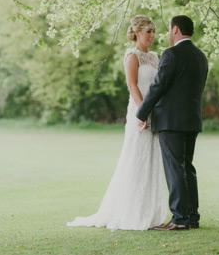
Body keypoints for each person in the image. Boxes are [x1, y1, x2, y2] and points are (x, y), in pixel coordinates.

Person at [67, 15, 167, 230]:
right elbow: (132, 86)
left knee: (152, 160)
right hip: (139, 113)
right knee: (136, 158)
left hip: (155, 113)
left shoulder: (154, 56)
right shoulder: (132, 56)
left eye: (153, 31)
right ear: (137, 32)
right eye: (148, 31)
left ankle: (151, 215)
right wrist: (143, 114)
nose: (152, 36)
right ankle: (132, 213)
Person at [136, 15, 209, 231]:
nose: (168, 34)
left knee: (175, 169)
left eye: (169, 29)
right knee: (187, 167)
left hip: (170, 121)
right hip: (192, 119)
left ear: (175, 30)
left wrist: (141, 114)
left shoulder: (171, 54)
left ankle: (179, 219)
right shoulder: (200, 56)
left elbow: (158, 86)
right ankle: (192, 216)